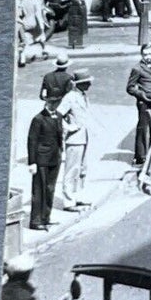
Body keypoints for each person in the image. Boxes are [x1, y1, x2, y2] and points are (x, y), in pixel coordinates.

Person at [26, 94, 65, 230]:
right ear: (47, 103)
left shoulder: (59, 116)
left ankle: (46, 217)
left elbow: (60, 136)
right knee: (39, 190)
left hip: (55, 158)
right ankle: (36, 221)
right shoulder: (38, 119)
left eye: (57, 102)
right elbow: (32, 141)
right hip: (41, 159)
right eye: (52, 102)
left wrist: (61, 152)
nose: (55, 105)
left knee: (50, 189)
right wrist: (32, 162)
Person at [56, 68, 93, 210]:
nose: (90, 84)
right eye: (87, 82)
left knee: (82, 170)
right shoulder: (70, 97)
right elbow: (57, 115)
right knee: (71, 170)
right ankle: (68, 201)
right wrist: (69, 127)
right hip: (74, 139)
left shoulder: (83, 96)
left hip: (84, 138)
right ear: (79, 84)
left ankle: (77, 196)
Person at [126, 42, 151, 167]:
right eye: (145, 54)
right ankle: (140, 156)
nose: (148, 57)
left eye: (150, 54)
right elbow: (130, 88)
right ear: (141, 54)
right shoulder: (137, 68)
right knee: (142, 127)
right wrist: (141, 95)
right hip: (144, 102)